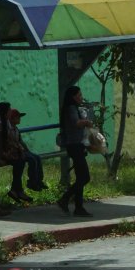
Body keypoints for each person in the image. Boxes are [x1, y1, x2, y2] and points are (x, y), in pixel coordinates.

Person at [57, 86, 93, 217]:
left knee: (80, 177)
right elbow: (76, 123)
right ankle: (64, 198)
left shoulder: (71, 108)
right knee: (85, 177)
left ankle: (78, 207)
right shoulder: (71, 108)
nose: (81, 97)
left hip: (76, 145)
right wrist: (86, 122)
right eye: (79, 95)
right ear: (73, 96)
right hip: (74, 145)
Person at [0, 102, 31, 203]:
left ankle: (16, 190)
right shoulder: (0, 124)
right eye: (9, 110)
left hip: (4, 153)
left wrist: (18, 150)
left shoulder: (6, 123)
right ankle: (17, 190)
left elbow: (10, 142)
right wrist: (1, 156)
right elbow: (0, 142)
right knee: (20, 160)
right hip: (0, 154)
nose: (10, 112)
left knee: (20, 160)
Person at [8, 109, 47, 191]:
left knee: (37, 157)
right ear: (11, 119)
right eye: (17, 117)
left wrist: (28, 151)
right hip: (16, 152)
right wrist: (23, 151)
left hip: (21, 150)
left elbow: (20, 141)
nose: (19, 119)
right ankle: (32, 182)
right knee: (32, 159)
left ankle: (39, 181)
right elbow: (13, 143)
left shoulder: (16, 129)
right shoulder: (9, 129)